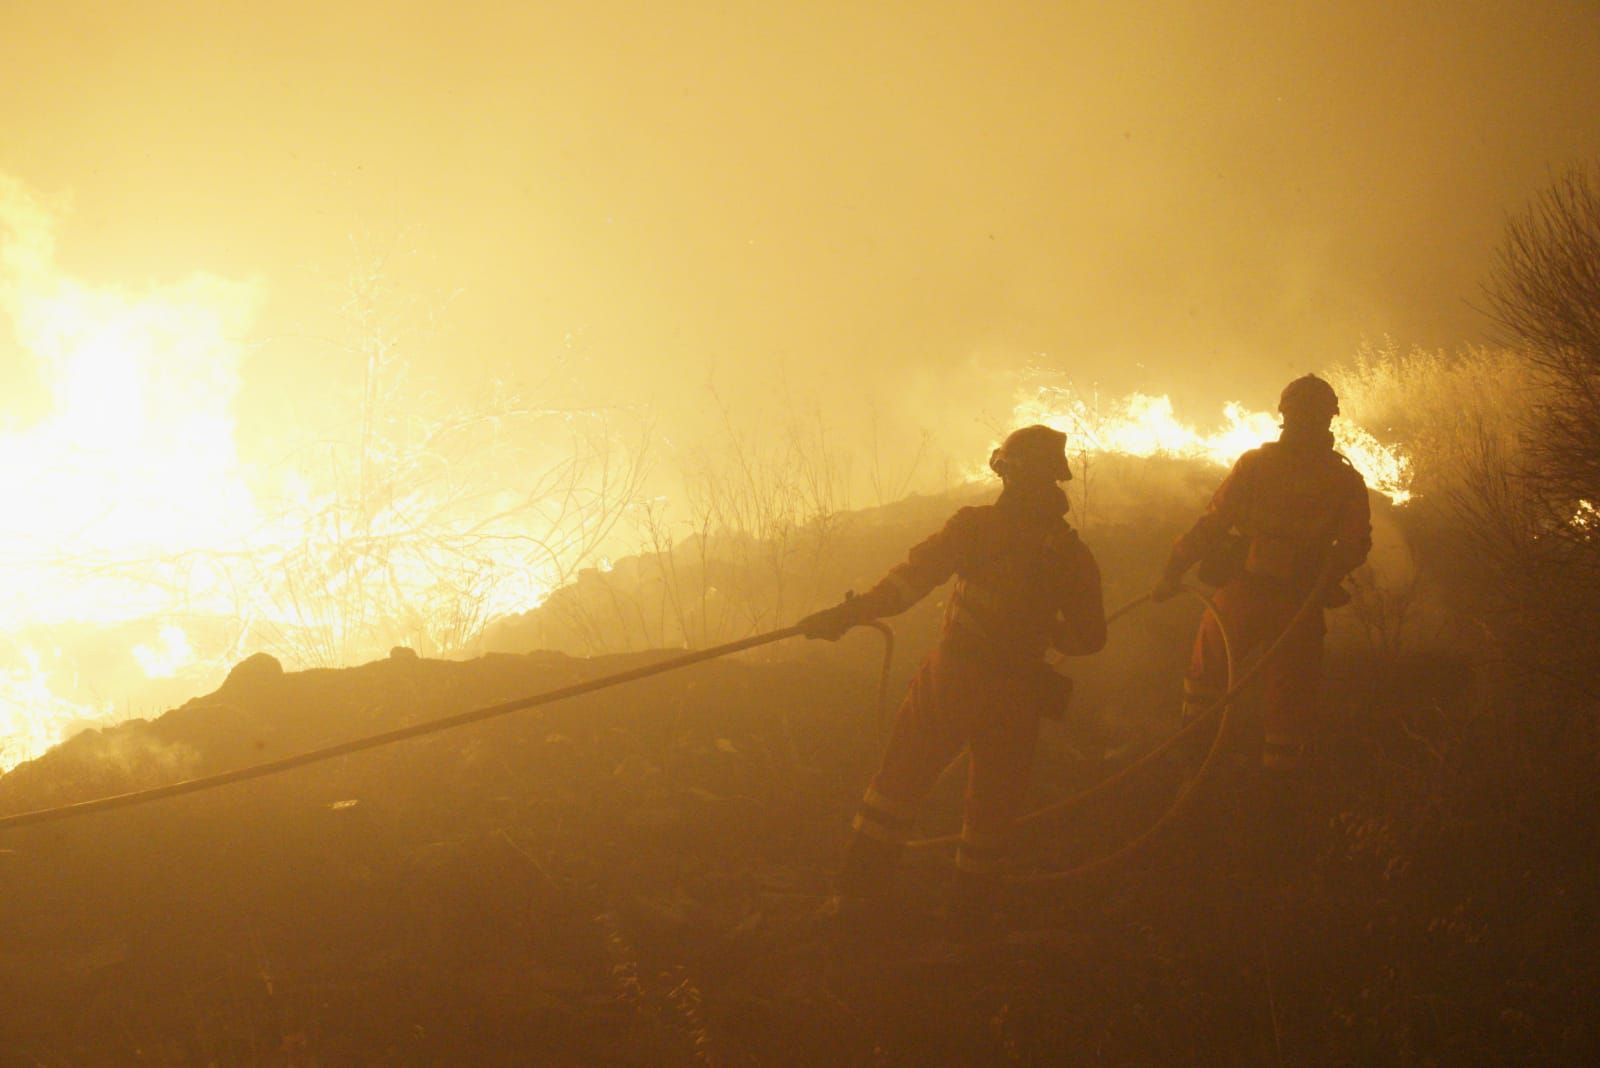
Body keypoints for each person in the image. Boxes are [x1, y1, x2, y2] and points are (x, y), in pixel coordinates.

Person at [798, 424, 1106, 937]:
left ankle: (855, 902)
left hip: (956, 678)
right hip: (1021, 692)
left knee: (897, 788)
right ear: (1055, 481)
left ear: (1005, 472)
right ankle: (969, 923)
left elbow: (906, 585)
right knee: (993, 809)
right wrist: (1042, 629)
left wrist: (847, 615)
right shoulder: (1071, 554)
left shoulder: (977, 527)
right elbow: (1090, 638)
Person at [1152, 374, 1372, 776]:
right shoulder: (1344, 480)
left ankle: (1190, 768)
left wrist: (1173, 569)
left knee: (1206, 681)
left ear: (1284, 414)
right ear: (1330, 419)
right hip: (1299, 604)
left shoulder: (1257, 466)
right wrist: (1328, 573)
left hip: (1242, 594)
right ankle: (1276, 794)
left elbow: (1213, 525)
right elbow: (1356, 545)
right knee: (1289, 703)